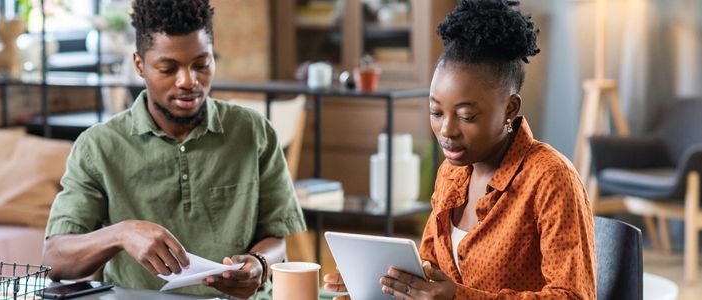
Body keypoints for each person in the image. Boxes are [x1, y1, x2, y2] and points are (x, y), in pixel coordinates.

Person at [324, 0, 596, 298]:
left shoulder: (551, 178)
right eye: (436, 113)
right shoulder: (451, 175)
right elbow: (429, 270)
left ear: (510, 109)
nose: (446, 131)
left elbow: (574, 296)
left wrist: (459, 297)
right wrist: (383, 288)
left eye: (467, 116)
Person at [42, 0, 306, 299]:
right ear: (140, 65)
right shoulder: (98, 147)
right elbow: (55, 259)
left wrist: (259, 264)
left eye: (201, 65)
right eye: (168, 68)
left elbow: (276, 237)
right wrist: (121, 233)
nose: (188, 81)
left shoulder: (253, 131)